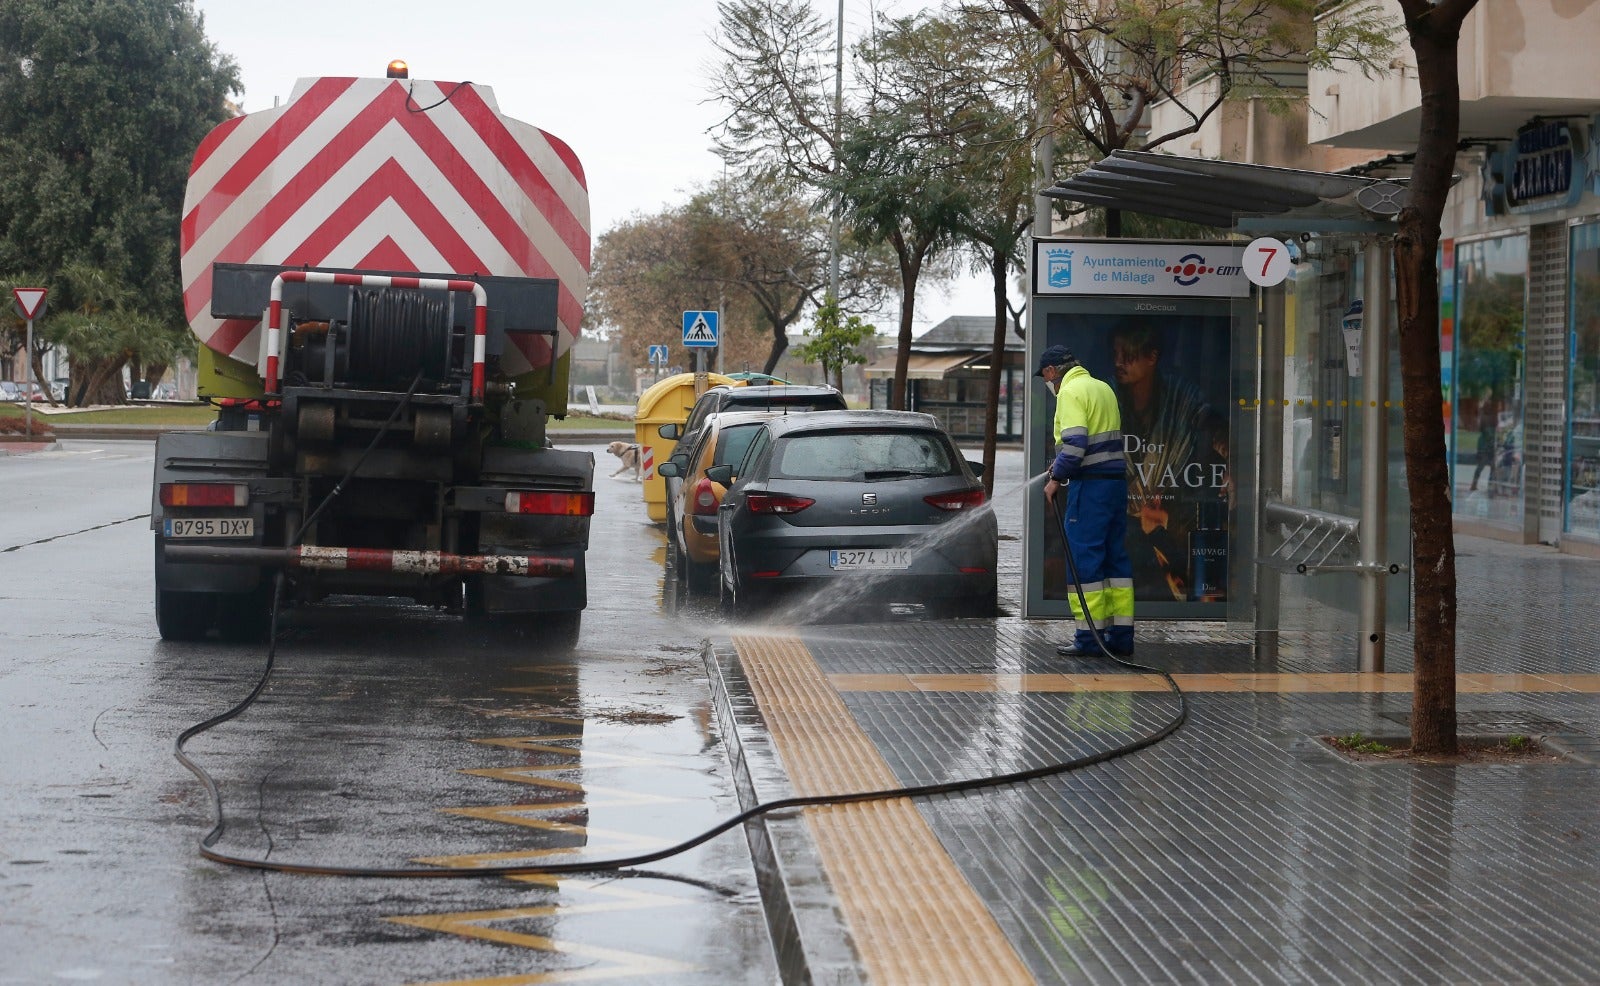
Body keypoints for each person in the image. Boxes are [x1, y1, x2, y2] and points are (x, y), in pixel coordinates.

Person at [1110, 322, 1229, 601]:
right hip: (1120, 519)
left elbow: (1212, 426)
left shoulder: (1180, 398)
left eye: (1127, 354)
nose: (1118, 362)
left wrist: (1232, 462)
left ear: (1152, 357)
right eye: (1115, 353)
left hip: (1169, 514)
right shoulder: (1107, 397)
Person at [1037, 344, 1135, 657]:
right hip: (1115, 486)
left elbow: (1076, 444)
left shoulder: (1070, 392)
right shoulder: (1103, 388)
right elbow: (1099, 442)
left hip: (1089, 489)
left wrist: (1056, 478)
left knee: (1084, 559)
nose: (1047, 384)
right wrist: (1061, 465)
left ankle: (1090, 639)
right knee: (1115, 560)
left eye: (1045, 378)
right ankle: (1120, 636)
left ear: (1052, 371)